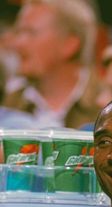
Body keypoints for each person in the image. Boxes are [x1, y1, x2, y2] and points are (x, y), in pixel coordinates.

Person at [1, 0, 101, 129]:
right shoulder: (9, 102)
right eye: (18, 32)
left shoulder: (106, 105)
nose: (17, 43)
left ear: (70, 44)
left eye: (30, 32)